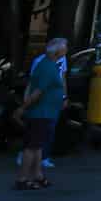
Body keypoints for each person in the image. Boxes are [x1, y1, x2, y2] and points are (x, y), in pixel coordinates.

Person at [14, 37, 67, 190]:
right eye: (64, 48)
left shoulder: (48, 65)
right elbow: (37, 91)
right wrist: (23, 108)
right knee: (31, 146)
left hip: (45, 112)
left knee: (37, 146)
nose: (66, 51)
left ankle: (38, 175)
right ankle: (22, 178)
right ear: (57, 51)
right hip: (41, 113)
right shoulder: (48, 67)